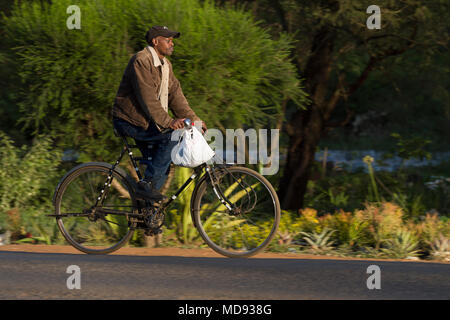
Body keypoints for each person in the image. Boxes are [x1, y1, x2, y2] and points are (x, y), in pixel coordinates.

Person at [111, 25, 206, 201]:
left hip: (148, 122)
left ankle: (148, 218)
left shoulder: (165, 66)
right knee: (174, 136)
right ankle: (146, 186)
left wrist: (194, 119)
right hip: (130, 121)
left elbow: (176, 96)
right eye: (168, 40)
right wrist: (168, 122)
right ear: (155, 42)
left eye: (172, 41)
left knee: (163, 162)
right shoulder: (141, 60)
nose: (172, 44)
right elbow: (147, 98)